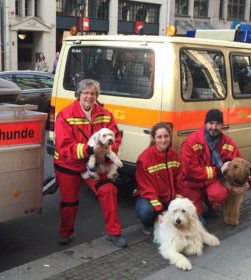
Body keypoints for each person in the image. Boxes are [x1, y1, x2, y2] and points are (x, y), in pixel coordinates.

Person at [54, 79, 127, 248]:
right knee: (69, 202)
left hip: (96, 162)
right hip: (68, 163)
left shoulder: (106, 114)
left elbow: (115, 137)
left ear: (97, 96)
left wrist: (105, 154)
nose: (89, 96)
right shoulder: (65, 114)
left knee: (109, 190)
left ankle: (113, 232)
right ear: (78, 94)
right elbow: (63, 144)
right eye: (86, 93)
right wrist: (89, 151)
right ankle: (66, 231)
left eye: (93, 93)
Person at [180, 109, 251, 223]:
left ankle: (212, 205)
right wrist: (218, 171)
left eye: (218, 124)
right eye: (211, 123)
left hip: (212, 182)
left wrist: (248, 182)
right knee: (196, 220)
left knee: (220, 194)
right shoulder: (191, 142)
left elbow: (241, 164)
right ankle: (203, 207)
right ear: (205, 124)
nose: (214, 127)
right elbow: (190, 171)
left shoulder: (228, 143)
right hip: (192, 185)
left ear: (222, 125)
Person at [134, 122, 183, 235]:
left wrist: (177, 203)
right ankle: (148, 224)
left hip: (170, 199)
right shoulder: (145, 159)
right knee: (146, 211)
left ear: (170, 137)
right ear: (153, 138)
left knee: (198, 220)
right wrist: (159, 211)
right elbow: (146, 188)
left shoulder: (174, 155)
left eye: (166, 136)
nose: (163, 140)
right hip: (150, 199)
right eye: (159, 137)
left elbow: (179, 182)